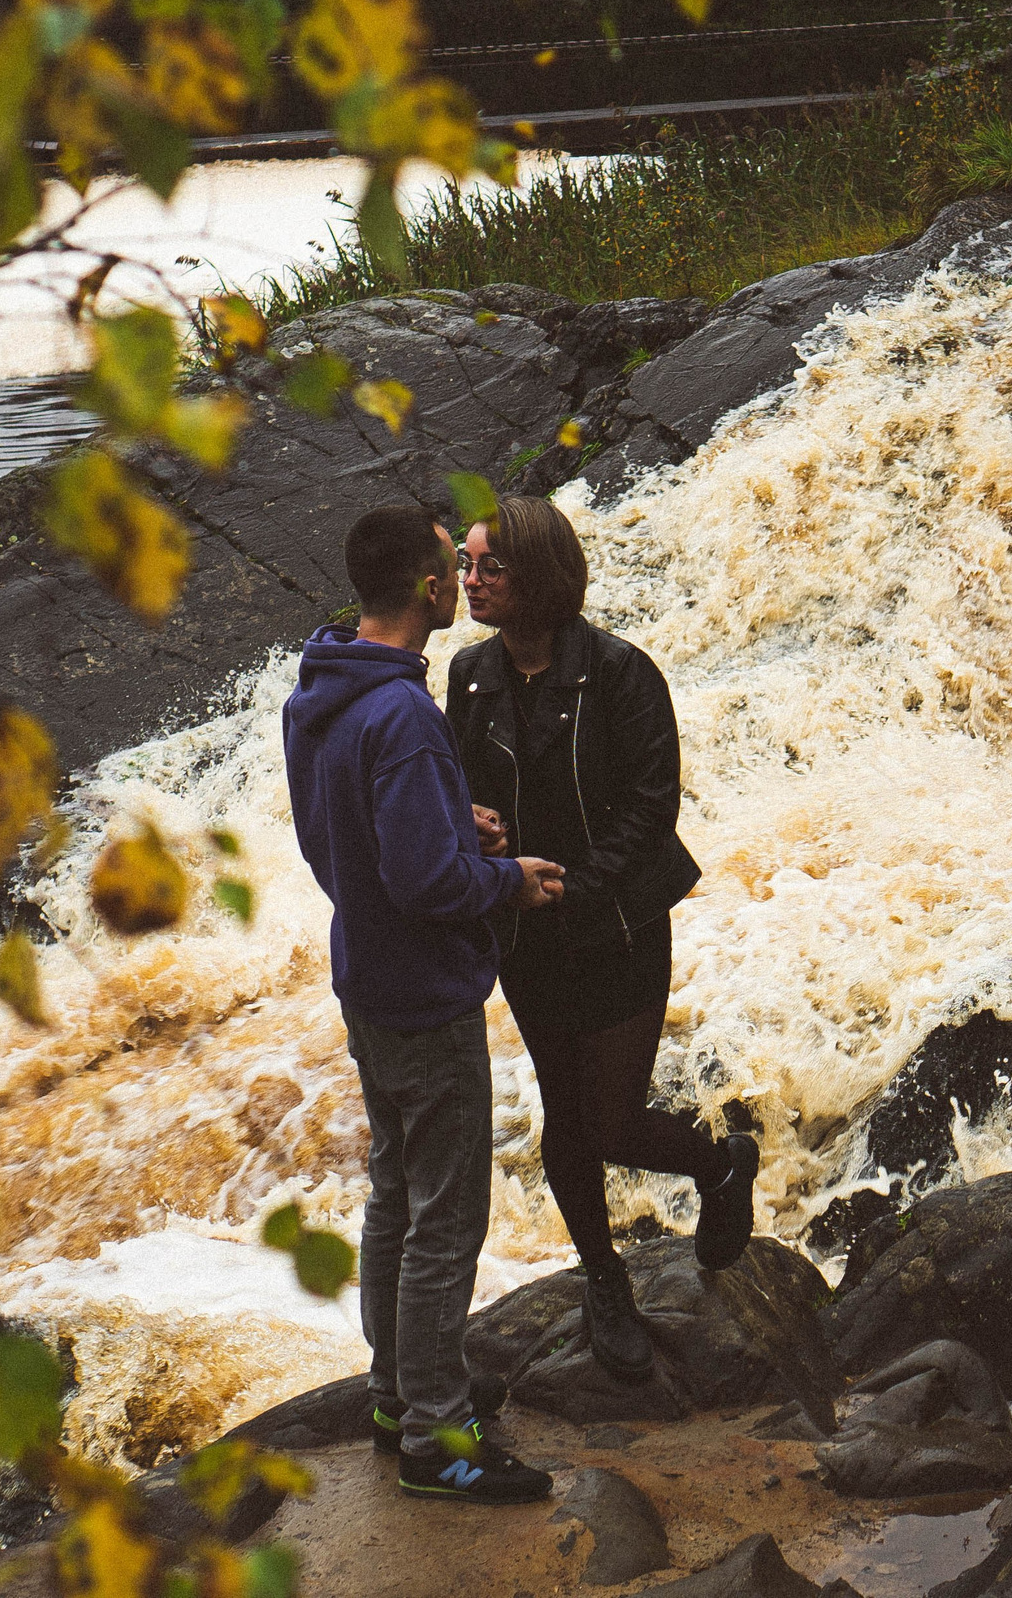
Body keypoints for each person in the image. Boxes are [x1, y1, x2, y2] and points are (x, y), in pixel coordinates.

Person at [282, 502, 566, 1505]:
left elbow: (340, 836)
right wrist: (504, 879)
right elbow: (427, 884)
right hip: (421, 989)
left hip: (364, 970)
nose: (463, 581)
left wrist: (451, 821)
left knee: (395, 1193)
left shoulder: (324, 685)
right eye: (453, 567)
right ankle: (438, 1443)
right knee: (446, 1216)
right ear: (429, 589)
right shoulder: (402, 712)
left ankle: (396, 1393)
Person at [446, 494, 761, 1383]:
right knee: (565, 1120)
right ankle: (605, 1279)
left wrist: (570, 888)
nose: (470, 582)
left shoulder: (621, 674)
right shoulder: (469, 677)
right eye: (466, 566)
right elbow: (460, 788)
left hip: (618, 926)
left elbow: (651, 809)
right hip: (527, 932)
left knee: (612, 1118)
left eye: (488, 568)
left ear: (538, 577)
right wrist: (476, 831)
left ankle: (719, 1162)